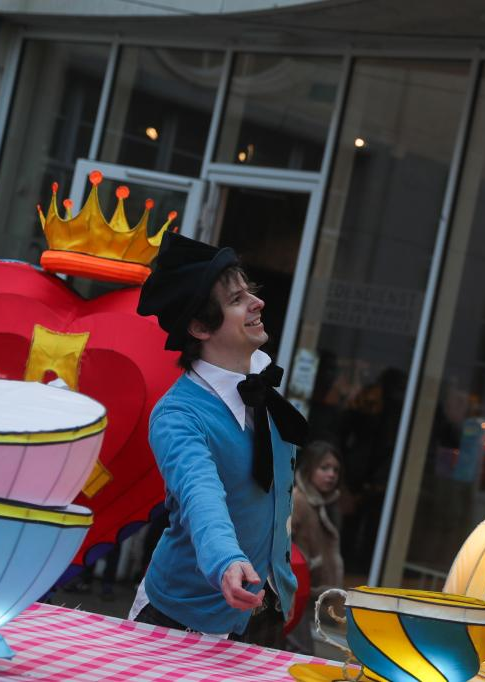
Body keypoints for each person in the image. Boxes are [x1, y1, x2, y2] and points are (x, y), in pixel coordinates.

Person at [129, 232, 308, 648]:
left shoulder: (264, 393)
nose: (257, 302)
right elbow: (200, 494)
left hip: (264, 611)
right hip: (181, 618)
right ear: (200, 327)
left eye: (250, 292)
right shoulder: (178, 415)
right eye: (236, 300)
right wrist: (226, 560)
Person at [288, 441, 344, 653]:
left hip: (312, 599)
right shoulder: (298, 500)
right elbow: (283, 546)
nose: (331, 475)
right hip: (296, 595)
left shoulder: (326, 504)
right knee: (301, 653)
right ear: (309, 468)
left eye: (335, 470)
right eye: (324, 468)